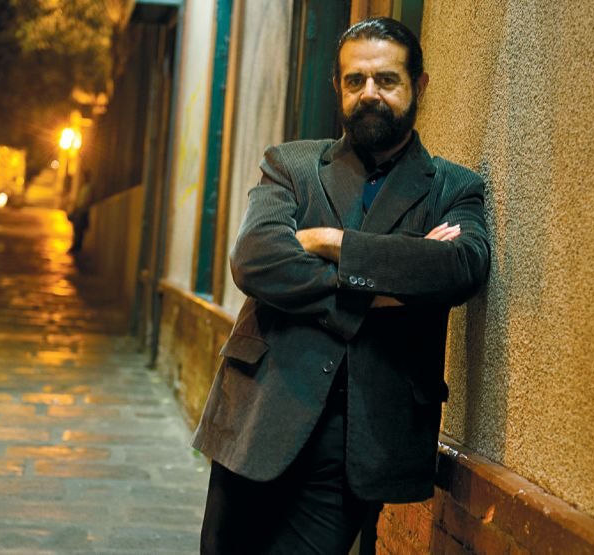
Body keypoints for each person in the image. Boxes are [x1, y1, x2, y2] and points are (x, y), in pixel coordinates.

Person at [193, 17, 490, 555]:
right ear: (338, 87)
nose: (369, 93)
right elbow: (256, 260)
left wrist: (332, 242)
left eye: (386, 80)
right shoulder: (291, 164)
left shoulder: (453, 187)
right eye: (355, 81)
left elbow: (459, 268)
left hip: (361, 433)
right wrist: (384, 289)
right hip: (259, 412)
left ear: (419, 85)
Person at [67, 169, 93, 254]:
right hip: (80, 211)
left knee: (79, 229)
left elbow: (86, 201)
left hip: (83, 211)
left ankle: (77, 246)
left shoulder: (88, 188)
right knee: (77, 229)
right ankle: (77, 245)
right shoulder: (84, 188)